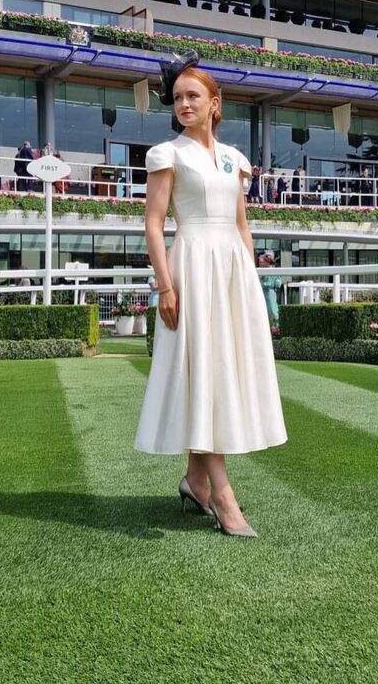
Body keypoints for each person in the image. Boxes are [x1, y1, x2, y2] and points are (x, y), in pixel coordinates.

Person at [135, 51, 287, 538]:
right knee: (203, 371)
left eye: (192, 96)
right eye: (177, 97)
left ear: (214, 103)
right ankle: (222, 496)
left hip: (231, 272)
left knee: (220, 373)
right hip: (192, 268)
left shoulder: (232, 159)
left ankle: (196, 483)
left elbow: (243, 224)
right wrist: (165, 284)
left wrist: (253, 283)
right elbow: (154, 226)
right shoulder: (167, 154)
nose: (183, 104)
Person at [258, 250, 282, 325]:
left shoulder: (273, 270)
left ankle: (275, 326)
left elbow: (278, 283)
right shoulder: (261, 270)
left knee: (272, 309)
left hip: (270, 293)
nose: (260, 264)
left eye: (262, 262)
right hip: (262, 292)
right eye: (260, 262)